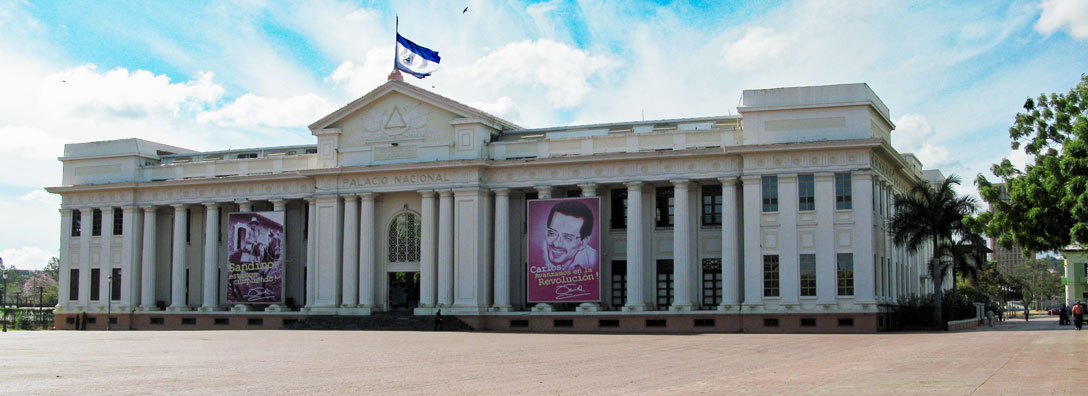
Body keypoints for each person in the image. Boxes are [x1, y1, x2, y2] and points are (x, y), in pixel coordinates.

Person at [542, 200, 598, 273]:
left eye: (567, 237)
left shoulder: (595, 261)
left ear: (582, 243)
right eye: (552, 233)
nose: (556, 244)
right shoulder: (537, 252)